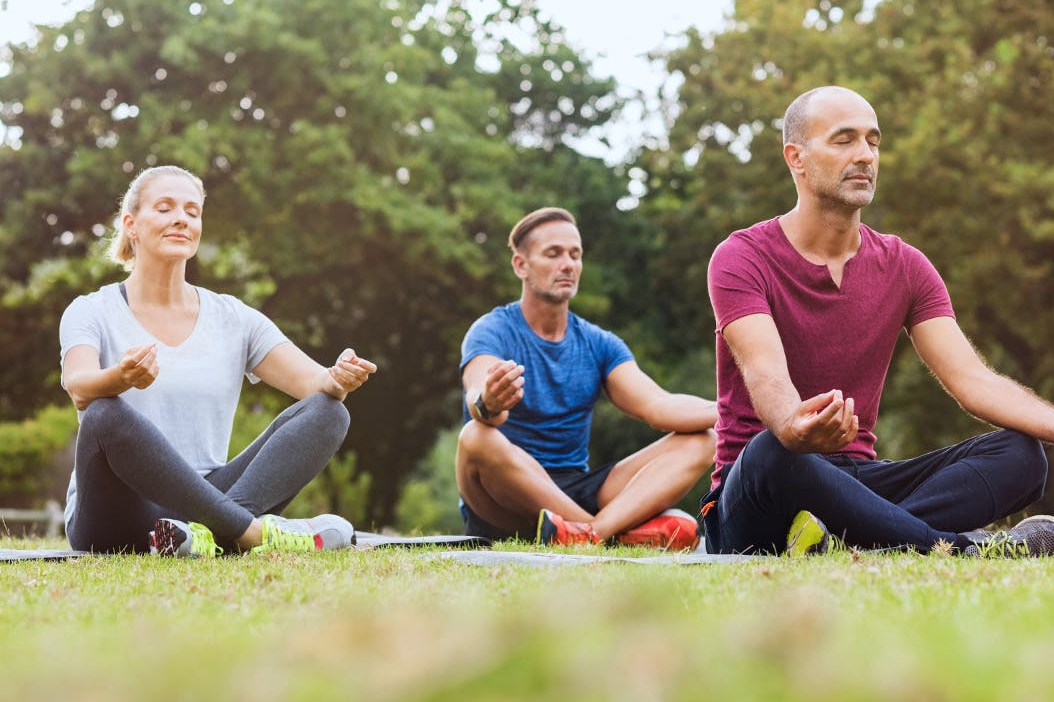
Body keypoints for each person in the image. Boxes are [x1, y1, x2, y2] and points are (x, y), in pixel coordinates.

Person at [703, 86, 1054, 558]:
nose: (865, 156)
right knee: (775, 452)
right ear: (796, 157)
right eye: (843, 140)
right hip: (759, 493)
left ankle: (859, 542)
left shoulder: (905, 265)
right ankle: (960, 550)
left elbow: (973, 380)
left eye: (873, 142)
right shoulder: (740, 257)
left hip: (856, 479)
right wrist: (794, 426)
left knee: (1022, 455)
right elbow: (765, 372)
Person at [60, 165, 377, 557]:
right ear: (132, 225)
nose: (181, 218)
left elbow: (317, 385)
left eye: (193, 212)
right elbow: (79, 388)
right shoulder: (91, 310)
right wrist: (120, 377)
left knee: (330, 413)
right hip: (116, 515)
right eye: (165, 208)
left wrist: (339, 378)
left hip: (210, 497)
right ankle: (249, 534)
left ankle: (207, 536)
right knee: (104, 413)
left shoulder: (233, 317)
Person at [455, 207, 717, 549]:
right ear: (521, 265)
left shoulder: (599, 343)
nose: (568, 264)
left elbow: (658, 406)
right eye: (554, 254)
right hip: (502, 497)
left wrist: (743, 408)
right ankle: (607, 531)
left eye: (575, 255)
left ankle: (590, 533)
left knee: (703, 439)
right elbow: (481, 402)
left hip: (577, 488)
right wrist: (488, 401)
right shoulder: (491, 330)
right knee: (476, 436)